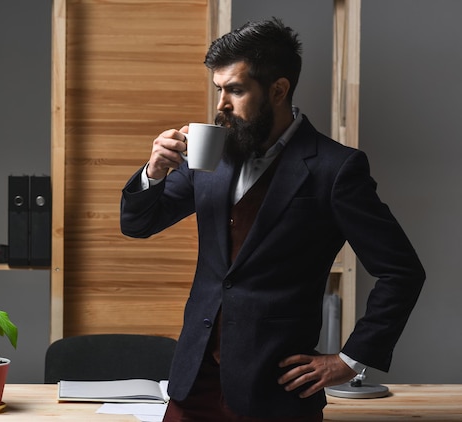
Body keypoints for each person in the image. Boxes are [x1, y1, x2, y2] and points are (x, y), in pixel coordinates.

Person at [120, 18, 425, 422]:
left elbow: (401, 271)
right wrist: (154, 173)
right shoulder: (209, 156)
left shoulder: (335, 168)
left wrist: (352, 360)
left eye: (236, 90)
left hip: (276, 392)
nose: (220, 106)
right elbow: (138, 225)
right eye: (219, 90)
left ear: (278, 90)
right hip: (193, 384)